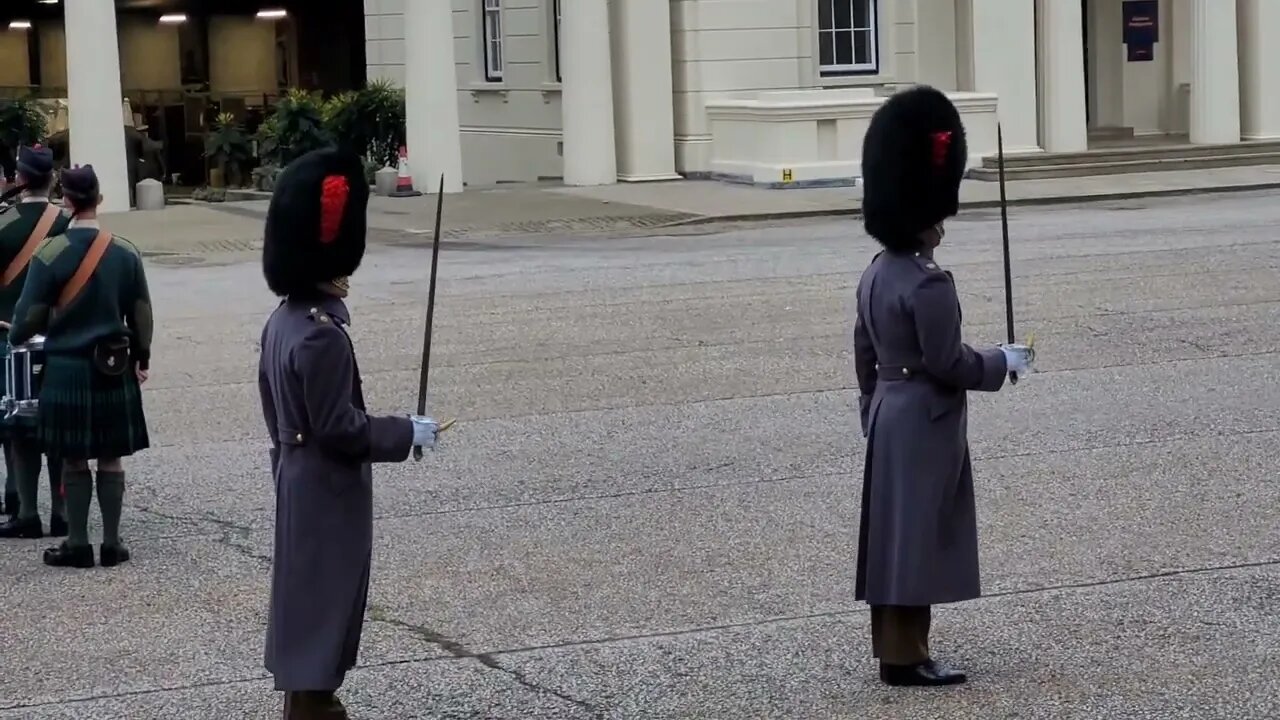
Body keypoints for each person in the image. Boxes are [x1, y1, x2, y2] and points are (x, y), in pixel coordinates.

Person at [851, 86, 1034, 687]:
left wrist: (870, 410)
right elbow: (947, 362)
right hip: (925, 417)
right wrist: (1002, 362)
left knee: (894, 536)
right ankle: (907, 659)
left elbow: (864, 353)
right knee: (918, 537)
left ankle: (897, 649)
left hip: (887, 412)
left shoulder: (877, 273)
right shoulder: (929, 284)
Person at [257, 147, 442, 720]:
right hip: (327, 489)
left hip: (296, 476)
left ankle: (308, 700)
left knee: (309, 605)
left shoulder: (286, 320)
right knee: (326, 605)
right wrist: (405, 432)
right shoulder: (320, 335)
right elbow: (340, 428)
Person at [9, 164, 152, 569]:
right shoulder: (125, 251)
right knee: (111, 456)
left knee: (73, 457)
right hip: (113, 365)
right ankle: (112, 544)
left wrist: (17, 334)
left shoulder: (50, 253)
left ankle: (77, 542)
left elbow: (28, 319)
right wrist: (142, 356)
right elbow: (141, 314)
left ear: (66, 200)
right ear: (99, 199)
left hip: (67, 366)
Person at [0, 145, 71, 540]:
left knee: (16, 427)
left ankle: (22, 507)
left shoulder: (4, 223)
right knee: (57, 427)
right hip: (60, 337)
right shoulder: (66, 222)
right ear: (52, 179)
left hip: (9, 336)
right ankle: (61, 511)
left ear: (20, 178)